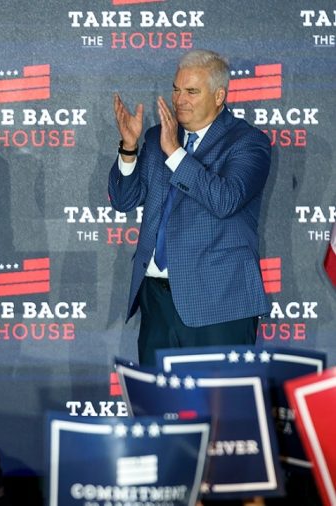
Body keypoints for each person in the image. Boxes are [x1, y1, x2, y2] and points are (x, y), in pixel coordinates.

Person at [108, 49, 270, 366]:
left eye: (192, 91)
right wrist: (129, 148)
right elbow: (125, 200)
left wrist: (176, 154)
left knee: (220, 410)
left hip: (219, 304)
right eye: (176, 89)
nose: (180, 99)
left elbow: (225, 201)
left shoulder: (248, 142)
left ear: (219, 95)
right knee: (158, 407)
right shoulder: (157, 137)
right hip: (156, 301)